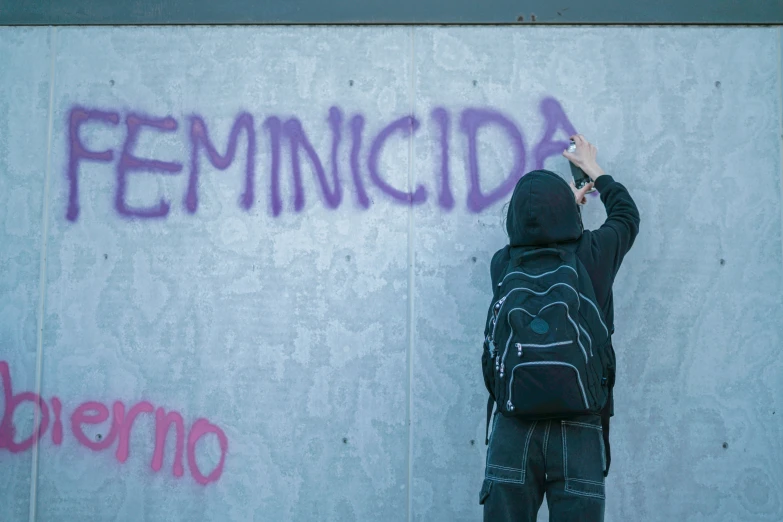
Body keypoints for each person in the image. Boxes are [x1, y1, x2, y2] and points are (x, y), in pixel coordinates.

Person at [479, 135, 640, 521]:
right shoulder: (593, 255)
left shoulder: (502, 265)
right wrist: (592, 170)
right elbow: (626, 216)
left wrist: (562, 208)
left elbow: (539, 233)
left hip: (513, 424)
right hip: (580, 424)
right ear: (569, 212)